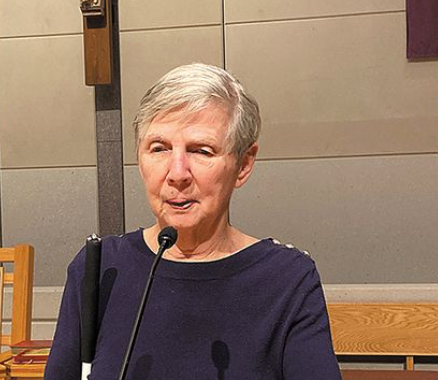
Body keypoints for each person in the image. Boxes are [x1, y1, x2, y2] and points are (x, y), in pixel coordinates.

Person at [44, 63, 341, 380]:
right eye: (158, 148)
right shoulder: (100, 268)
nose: (177, 174)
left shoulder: (287, 278)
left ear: (243, 164)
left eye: (201, 151)